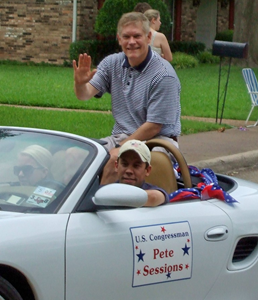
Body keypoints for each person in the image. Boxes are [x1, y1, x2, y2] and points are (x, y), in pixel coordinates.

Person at [73, 12, 181, 183]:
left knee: (113, 162)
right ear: (119, 39)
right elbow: (85, 94)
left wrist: (121, 149)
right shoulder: (112, 63)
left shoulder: (163, 75)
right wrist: (80, 83)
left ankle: (98, 206)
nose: (131, 42)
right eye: (126, 36)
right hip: (121, 136)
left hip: (157, 142)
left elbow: (154, 126)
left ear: (148, 37)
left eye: (137, 36)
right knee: (74, 155)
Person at [115, 139, 169, 206]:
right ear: (116, 166)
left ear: (147, 170)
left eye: (136, 166)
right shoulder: (104, 191)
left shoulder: (153, 192)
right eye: (124, 164)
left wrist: (113, 197)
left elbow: (154, 197)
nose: (129, 171)